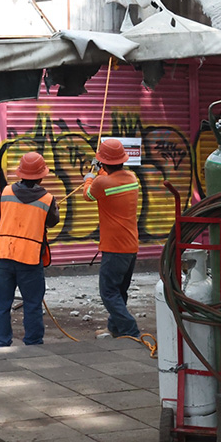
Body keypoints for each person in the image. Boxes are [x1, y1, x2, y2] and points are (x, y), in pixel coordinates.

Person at [0, 152, 60, 348]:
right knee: (32, 304)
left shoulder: (6, 192)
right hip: (29, 259)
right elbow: (52, 222)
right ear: (41, 177)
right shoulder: (47, 199)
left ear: (20, 173)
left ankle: (1, 343)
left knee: (2, 304)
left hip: (4, 255)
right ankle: (33, 343)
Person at [83, 139, 141, 340]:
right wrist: (100, 171)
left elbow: (88, 195)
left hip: (114, 247)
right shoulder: (132, 178)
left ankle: (131, 331)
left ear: (103, 162)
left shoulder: (101, 183)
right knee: (120, 291)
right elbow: (110, 181)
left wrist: (89, 178)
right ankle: (114, 329)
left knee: (108, 292)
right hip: (131, 246)